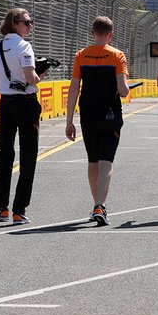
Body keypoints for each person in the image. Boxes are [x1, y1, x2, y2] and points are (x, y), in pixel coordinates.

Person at [65, 16, 129, 226]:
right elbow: (122, 90)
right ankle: (99, 205)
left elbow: (74, 89)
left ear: (93, 33)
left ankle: (97, 204)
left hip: (88, 115)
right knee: (106, 161)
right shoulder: (117, 55)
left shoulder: (81, 55)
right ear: (110, 35)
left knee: (93, 160)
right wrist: (127, 87)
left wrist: (69, 121)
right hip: (110, 115)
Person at [0, 8, 44, 225]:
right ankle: (19, 211)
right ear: (14, 23)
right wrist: (41, 73)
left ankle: (1, 208)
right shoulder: (24, 46)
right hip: (26, 104)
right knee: (28, 157)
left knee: (5, 155)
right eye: (27, 22)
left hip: (6, 105)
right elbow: (31, 78)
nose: (30, 26)